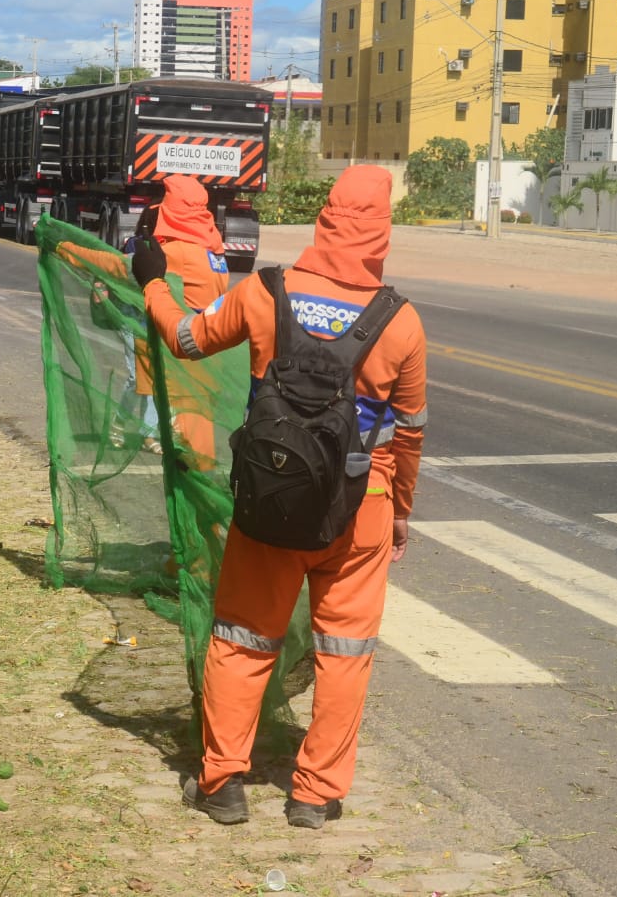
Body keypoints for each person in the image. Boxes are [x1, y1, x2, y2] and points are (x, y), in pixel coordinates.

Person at [132, 165, 428, 830]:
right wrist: (400, 510)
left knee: (241, 637)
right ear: (382, 230)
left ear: (325, 217)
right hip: (363, 509)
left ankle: (222, 784)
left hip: (271, 500)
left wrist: (152, 278)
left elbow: (185, 339)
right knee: (345, 651)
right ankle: (315, 795)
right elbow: (408, 434)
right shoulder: (402, 323)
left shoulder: (266, 292)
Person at [129, 176, 231, 464]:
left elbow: (128, 269)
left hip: (184, 355)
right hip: (207, 351)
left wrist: (66, 249)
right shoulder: (214, 249)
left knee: (191, 457)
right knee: (200, 441)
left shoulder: (177, 252)